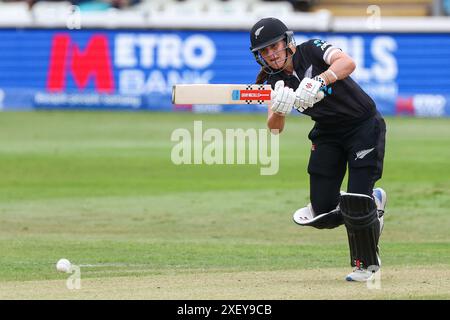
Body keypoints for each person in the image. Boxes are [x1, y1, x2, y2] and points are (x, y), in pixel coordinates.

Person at [249, 17, 387, 282]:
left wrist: (321, 80)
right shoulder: (273, 80)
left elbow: (347, 63)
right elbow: (275, 128)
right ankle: (372, 205)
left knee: (357, 200)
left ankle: (365, 264)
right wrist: (279, 108)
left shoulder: (311, 49)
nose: (271, 54)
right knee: (322, 210)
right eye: (264, 51)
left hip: (362, 125)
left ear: (287, 42)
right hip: (327, 133)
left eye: (274, 46)